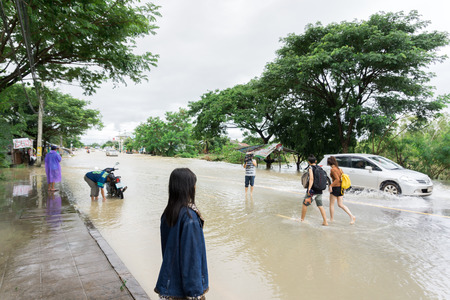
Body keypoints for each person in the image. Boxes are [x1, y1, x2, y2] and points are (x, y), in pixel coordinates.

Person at [155, 168, 209, 300]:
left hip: (170, 284)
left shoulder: (169, 212)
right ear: (188, 188)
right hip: (185, 290)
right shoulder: (189, 218)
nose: (195, 187)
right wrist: (195, 293)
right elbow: (191, 259)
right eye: (194, 184)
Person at [301, 155, 328, 226]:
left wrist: (309, 189)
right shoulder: (320, 168)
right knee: (320, 205)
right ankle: (325, 221)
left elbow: (311, 179)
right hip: (319, 190)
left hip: (313, 190)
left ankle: (302, 220)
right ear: (316, 161)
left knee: (305, 204)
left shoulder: (310, 168)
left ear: (309, 162)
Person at [328, 156, 356, 225]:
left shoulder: (333, 169)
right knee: (340, 204)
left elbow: (337, 179)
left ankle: (331, 219)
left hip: (336, 188)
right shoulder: (339, 169)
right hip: (341, 188)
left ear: (329, 163)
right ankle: (352, 216)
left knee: (331, 204)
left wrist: (331, 186)